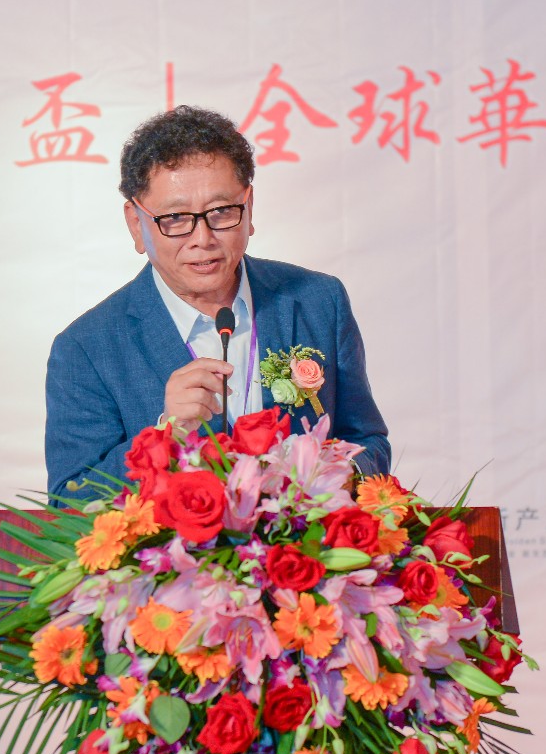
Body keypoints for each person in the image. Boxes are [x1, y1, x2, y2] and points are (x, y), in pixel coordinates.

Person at [45, 105, 390, 500]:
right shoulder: (87, 348)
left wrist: (343, 475)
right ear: (136, 224)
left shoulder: (318, 301)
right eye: (175, 218)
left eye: (222, 211)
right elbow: (70, 498)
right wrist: (166, 435)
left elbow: (367, 441)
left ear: (249, 207)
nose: (203, 239)